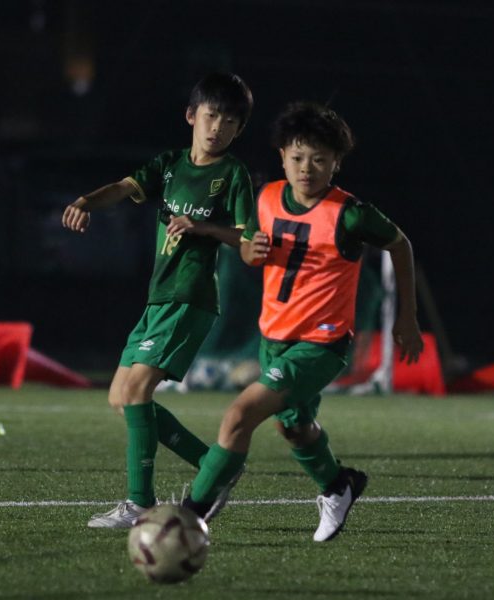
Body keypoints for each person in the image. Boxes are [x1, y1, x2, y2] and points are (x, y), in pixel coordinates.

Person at [182, 101, 424, 542]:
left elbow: (400, 244)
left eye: (318, 159)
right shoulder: (267, 197)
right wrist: (248, 249)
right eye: (297, 158)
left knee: (238, 416)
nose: (306, 169)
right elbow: (251, 245)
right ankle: (338, 486)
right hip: (273, 338)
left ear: (336, 163)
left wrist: (407, 317)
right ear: (282, 157)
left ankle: (189, 514)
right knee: (293, 427)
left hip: (321, 344)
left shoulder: (351, 213)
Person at [61, 72, 254, 528]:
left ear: (238, 130)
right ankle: (215, 466)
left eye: (230, 122)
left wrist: (202, 227)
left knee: (136, 392)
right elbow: (124, 187)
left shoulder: (233, 175)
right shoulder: (169, 166)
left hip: (191, 297)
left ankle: (139, 504)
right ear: (191, 116)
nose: (218, 128)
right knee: (119, 397)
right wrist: (85, 201)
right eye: (211, 116)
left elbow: (248, 239)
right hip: (158, 299)